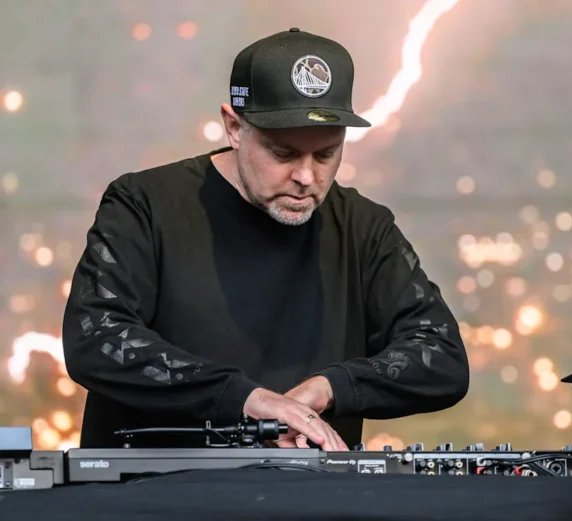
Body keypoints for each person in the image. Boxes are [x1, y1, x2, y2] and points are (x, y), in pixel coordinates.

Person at [62, 29, 470, 450]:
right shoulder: (143, 205)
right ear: (234, 127)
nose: (307, 177)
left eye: (326, 154)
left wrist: (330, 387)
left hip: (307, 499)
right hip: (152, 498)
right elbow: (96, 337)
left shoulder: (365, 227)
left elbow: (442, 357)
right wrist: (246, 400)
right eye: (284, 153)